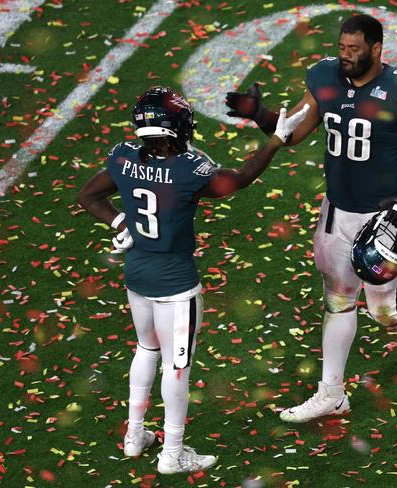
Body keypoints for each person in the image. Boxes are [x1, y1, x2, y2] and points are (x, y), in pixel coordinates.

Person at [225, 14, 397, 423]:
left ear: (376, 49)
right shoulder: (325, 77)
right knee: (338, 302)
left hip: (384, 216)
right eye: (342, 48)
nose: (346, 57)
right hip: (337, 211)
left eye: (355, 50)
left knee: (387, 312)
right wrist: (261, 113)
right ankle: (331, 393)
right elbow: (295, 131)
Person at [78, 86, 309, 472]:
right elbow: (239, 179)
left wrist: (120, 221)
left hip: (137, 277)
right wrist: (275, 140)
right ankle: (172, 454)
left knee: (145, 350)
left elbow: (87, 196)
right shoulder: (189, 168)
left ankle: (134, 437)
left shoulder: (121, 158)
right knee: (177, 367)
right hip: (175, 285)